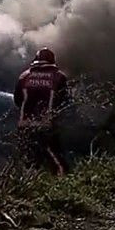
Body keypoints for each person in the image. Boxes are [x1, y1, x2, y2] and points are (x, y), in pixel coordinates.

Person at [13, 47, 70, 176]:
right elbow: (65, 101)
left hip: (26, 126)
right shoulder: (59, 77)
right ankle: (60, 182)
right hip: (48, 125)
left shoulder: (24, 76)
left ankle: (28, 183)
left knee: (29, 160)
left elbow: (17, 100)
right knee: (56, 159)